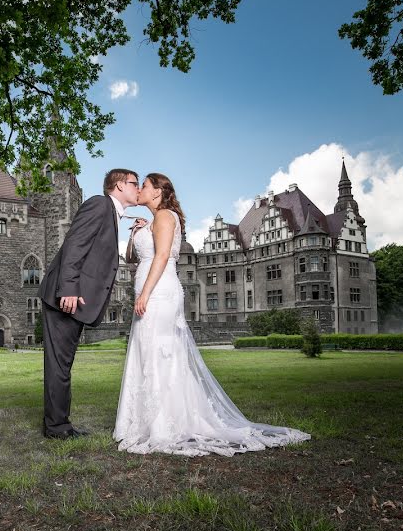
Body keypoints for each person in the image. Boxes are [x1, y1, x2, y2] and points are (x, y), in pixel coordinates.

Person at [113, 173, 311, 456]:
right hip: (152, 288)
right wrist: (137, 232)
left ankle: (165, 423)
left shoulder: (166, 216)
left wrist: (144, 293)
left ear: (157, 192)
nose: (140, 189)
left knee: (161, 353)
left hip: (159, 291)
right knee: (150, 352)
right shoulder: (154, 221)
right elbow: (133, 257)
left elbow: (160, 257)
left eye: (144, 185)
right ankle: (151, 420)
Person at [38, 168, 140, 439]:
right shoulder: (98, 204)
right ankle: (57, 428)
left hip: (76, 300)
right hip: (66, 298)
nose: (138, 188)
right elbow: (74, 245)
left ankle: (58, 424)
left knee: (63, 365)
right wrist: (68, 288)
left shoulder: (113, 214)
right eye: (134, 183)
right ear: (118, 186)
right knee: (59, 366)